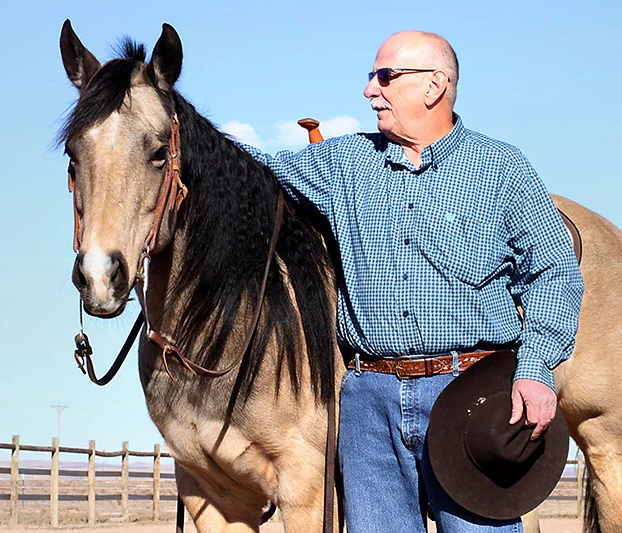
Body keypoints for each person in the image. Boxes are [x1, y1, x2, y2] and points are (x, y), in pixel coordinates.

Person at [238, 30, 584, 533]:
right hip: (367, 402)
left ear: (434, 86)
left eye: (384, 76)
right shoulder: (342, 164)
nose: (369, 91)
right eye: (370, 77)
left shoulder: (502, 169)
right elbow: (252, 168)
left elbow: (554, 271)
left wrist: (534, 368)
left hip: (469, 396)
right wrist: (172, 121)